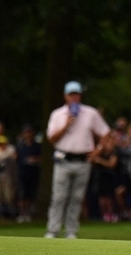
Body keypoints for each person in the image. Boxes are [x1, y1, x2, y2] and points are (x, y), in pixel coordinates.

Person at [44, 81, 110, 239]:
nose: (74, 97)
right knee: (59, 196)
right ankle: (53, 230)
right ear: (65, 96)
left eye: (76, 94)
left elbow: (105, 132)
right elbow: (52, 138)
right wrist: (66, 124)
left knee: (77, 197)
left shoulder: (90, 113)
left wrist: (98, 151)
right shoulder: (57, 114)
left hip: (83, 160)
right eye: (71, 94)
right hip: (63, 159)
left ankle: (71, 230)